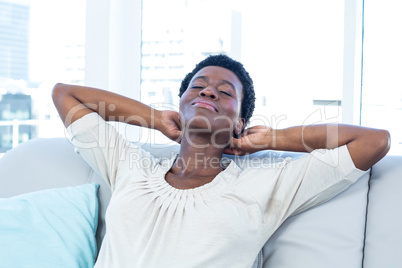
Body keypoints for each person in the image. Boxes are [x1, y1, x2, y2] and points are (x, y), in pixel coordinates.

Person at [52, 54, 390, 268]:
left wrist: (270, 139)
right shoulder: (130, 167)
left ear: (239, 122)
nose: (208, 92)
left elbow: (372, 142)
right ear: (181, 105)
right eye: (197, 88)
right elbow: (65, 94)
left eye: (225, 92)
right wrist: (154, 117)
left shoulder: (264, 185)